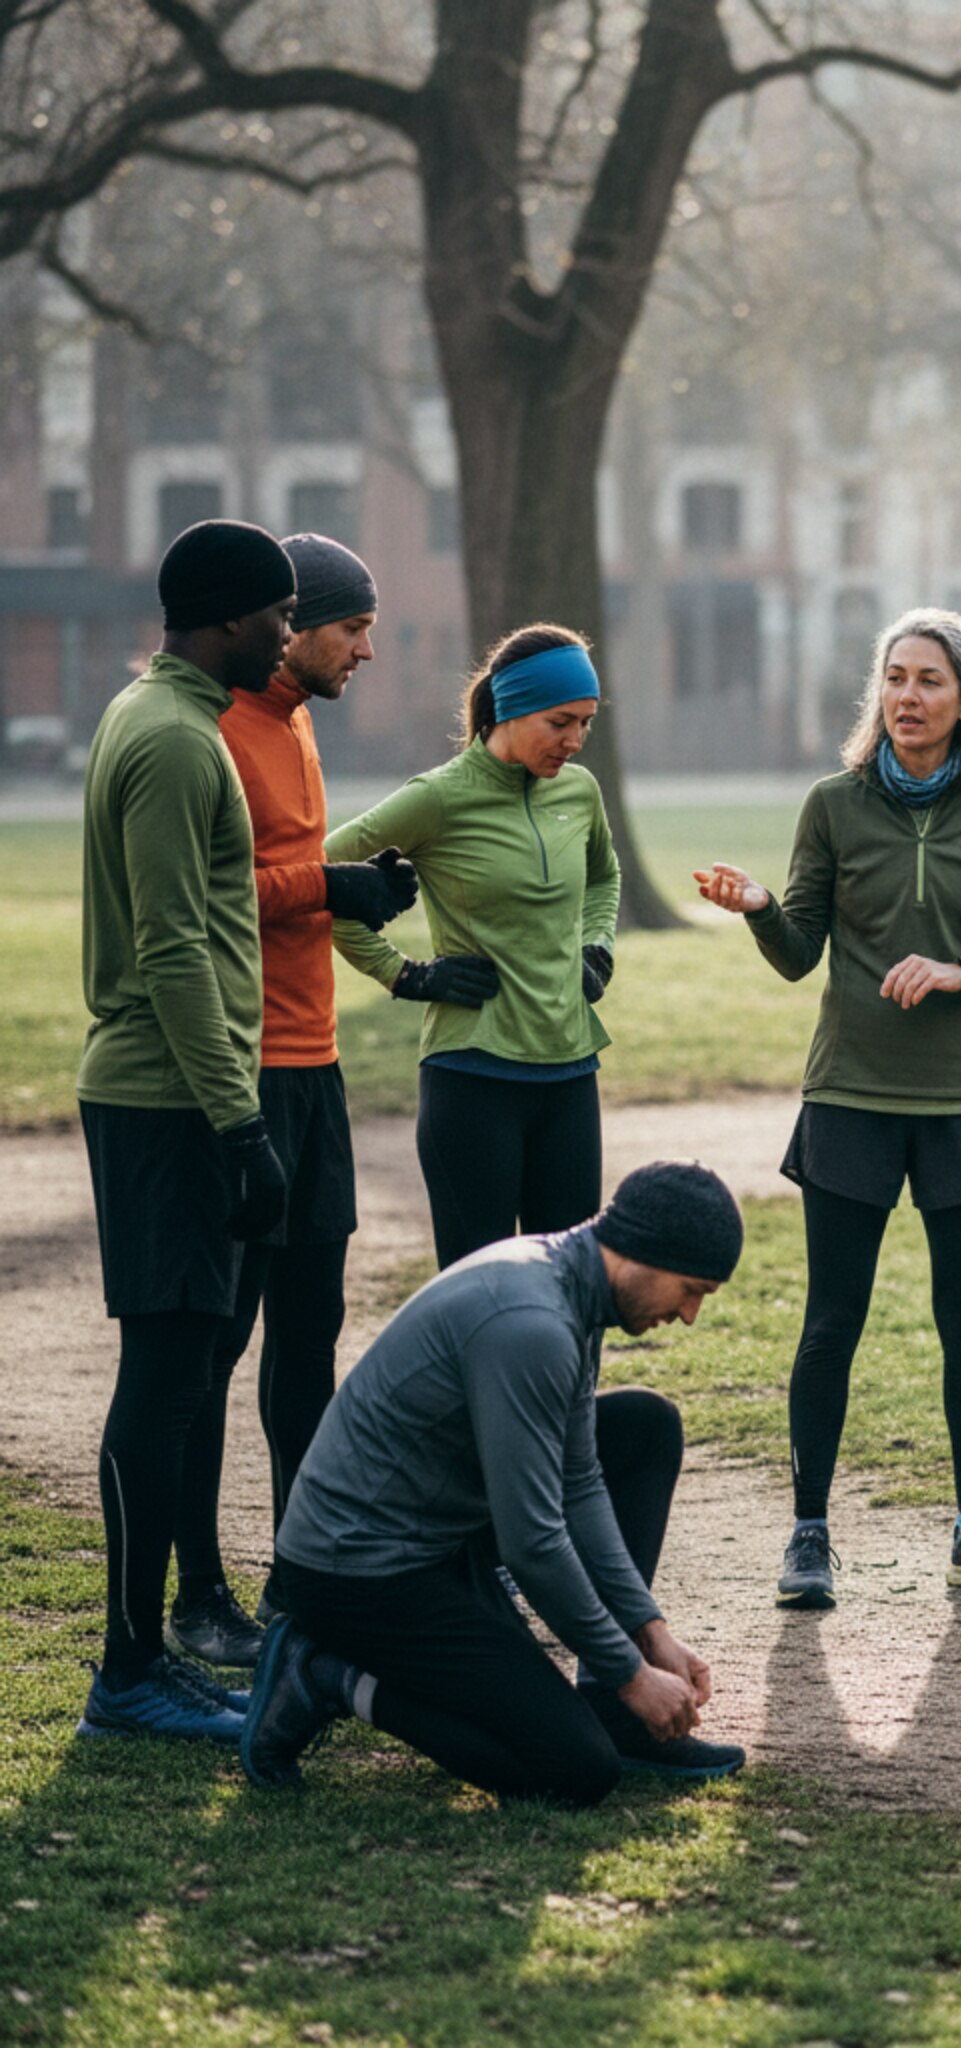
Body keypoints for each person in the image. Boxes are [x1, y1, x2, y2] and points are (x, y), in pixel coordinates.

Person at [693, 607, 961, 1611]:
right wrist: (761, 909)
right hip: (848, 1095)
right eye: (894, 678)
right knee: (830, 1321)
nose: (907, 696)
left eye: (929, 681)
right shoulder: (833, 803)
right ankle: (808, 1536)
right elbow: (798, 951)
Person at [240, 1161, 748, 1804]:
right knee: (574, 1769)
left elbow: (580, 1480)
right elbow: (532, 1542)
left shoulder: (577, 1288)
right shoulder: (531, 1324)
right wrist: (630, 1675)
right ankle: (325, 1674)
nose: (690, 1314)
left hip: (437, 1536)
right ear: (643, 1254)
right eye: (691, 1289)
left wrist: (650, 1635)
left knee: (645, 1428)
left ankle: (617, 1715)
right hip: (357, 1573)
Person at [168, 534, 419, 1670]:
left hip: (313, 1062)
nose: (366, 648)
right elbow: (221, 889)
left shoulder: (300, 720)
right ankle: (195, 1591)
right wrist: (332, 883)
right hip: (245, 1064)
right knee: (216, 1342)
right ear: (288, 623)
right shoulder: (218, 727)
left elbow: (292, 870)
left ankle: (301, 1569)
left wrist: (357, 890)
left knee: (308, 1331)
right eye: (350, 628)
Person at [74, 519, 296, 1744]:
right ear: (221, 617)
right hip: (167, 1099)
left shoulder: (171, 719)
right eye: (272, 611)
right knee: (159, 1383)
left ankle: (150, 1649)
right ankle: (127, 1670)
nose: (284, 628)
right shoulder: (166, 739)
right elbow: (169, 946)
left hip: (175, 1094)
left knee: (174, 1379)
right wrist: (240, 1122)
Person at [326, 623, 620, 1270]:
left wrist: (597, 942)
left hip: (570, 1071)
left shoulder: (579, 791)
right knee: (476, 1287)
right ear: (510, 710)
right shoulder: (438, 798)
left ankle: (571, 1382)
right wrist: (402, 975)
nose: (574, 741)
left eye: (586, 724)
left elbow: (604, 874)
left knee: (573, 1280)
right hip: (473, 1077)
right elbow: (321, 878)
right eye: (560, 722)